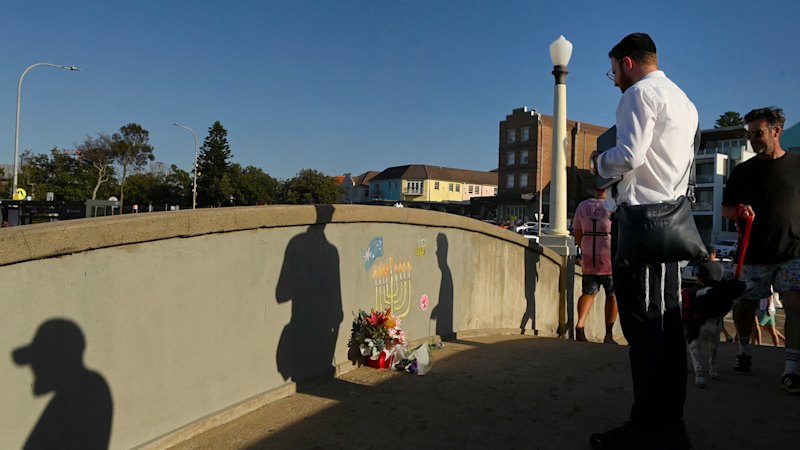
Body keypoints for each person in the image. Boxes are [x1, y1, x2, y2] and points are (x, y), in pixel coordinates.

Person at [587, 32, 698, 450]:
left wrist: (599, 161)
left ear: (628, 63)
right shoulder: (684, 100)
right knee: (667, 328)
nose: (613, 78)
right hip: (670, 226)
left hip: (642, 225)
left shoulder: (638, 95)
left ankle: (649, 427)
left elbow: (630, 154)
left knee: (646, 329)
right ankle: (670, 425)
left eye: (613, 69)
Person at [721, 106, 800, 394]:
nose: (753, 140)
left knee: (795, 304)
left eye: (759, 134)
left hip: (793, 252)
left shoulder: (798, 165)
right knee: (744, 306)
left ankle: (791, 369)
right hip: (753, 253)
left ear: (776, 132)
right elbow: (726, 208)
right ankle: (744, 350)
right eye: (750, 135)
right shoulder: (743, 172)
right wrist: (738, 212)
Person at [572, 188, 618, 344]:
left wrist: (584, 247)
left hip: (589, 257)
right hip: (609, 257)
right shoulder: (613, 206)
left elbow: (577, 232)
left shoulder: (582, 206)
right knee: (612, 295)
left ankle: (580, 324)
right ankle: (609, 335)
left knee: (588, 292)